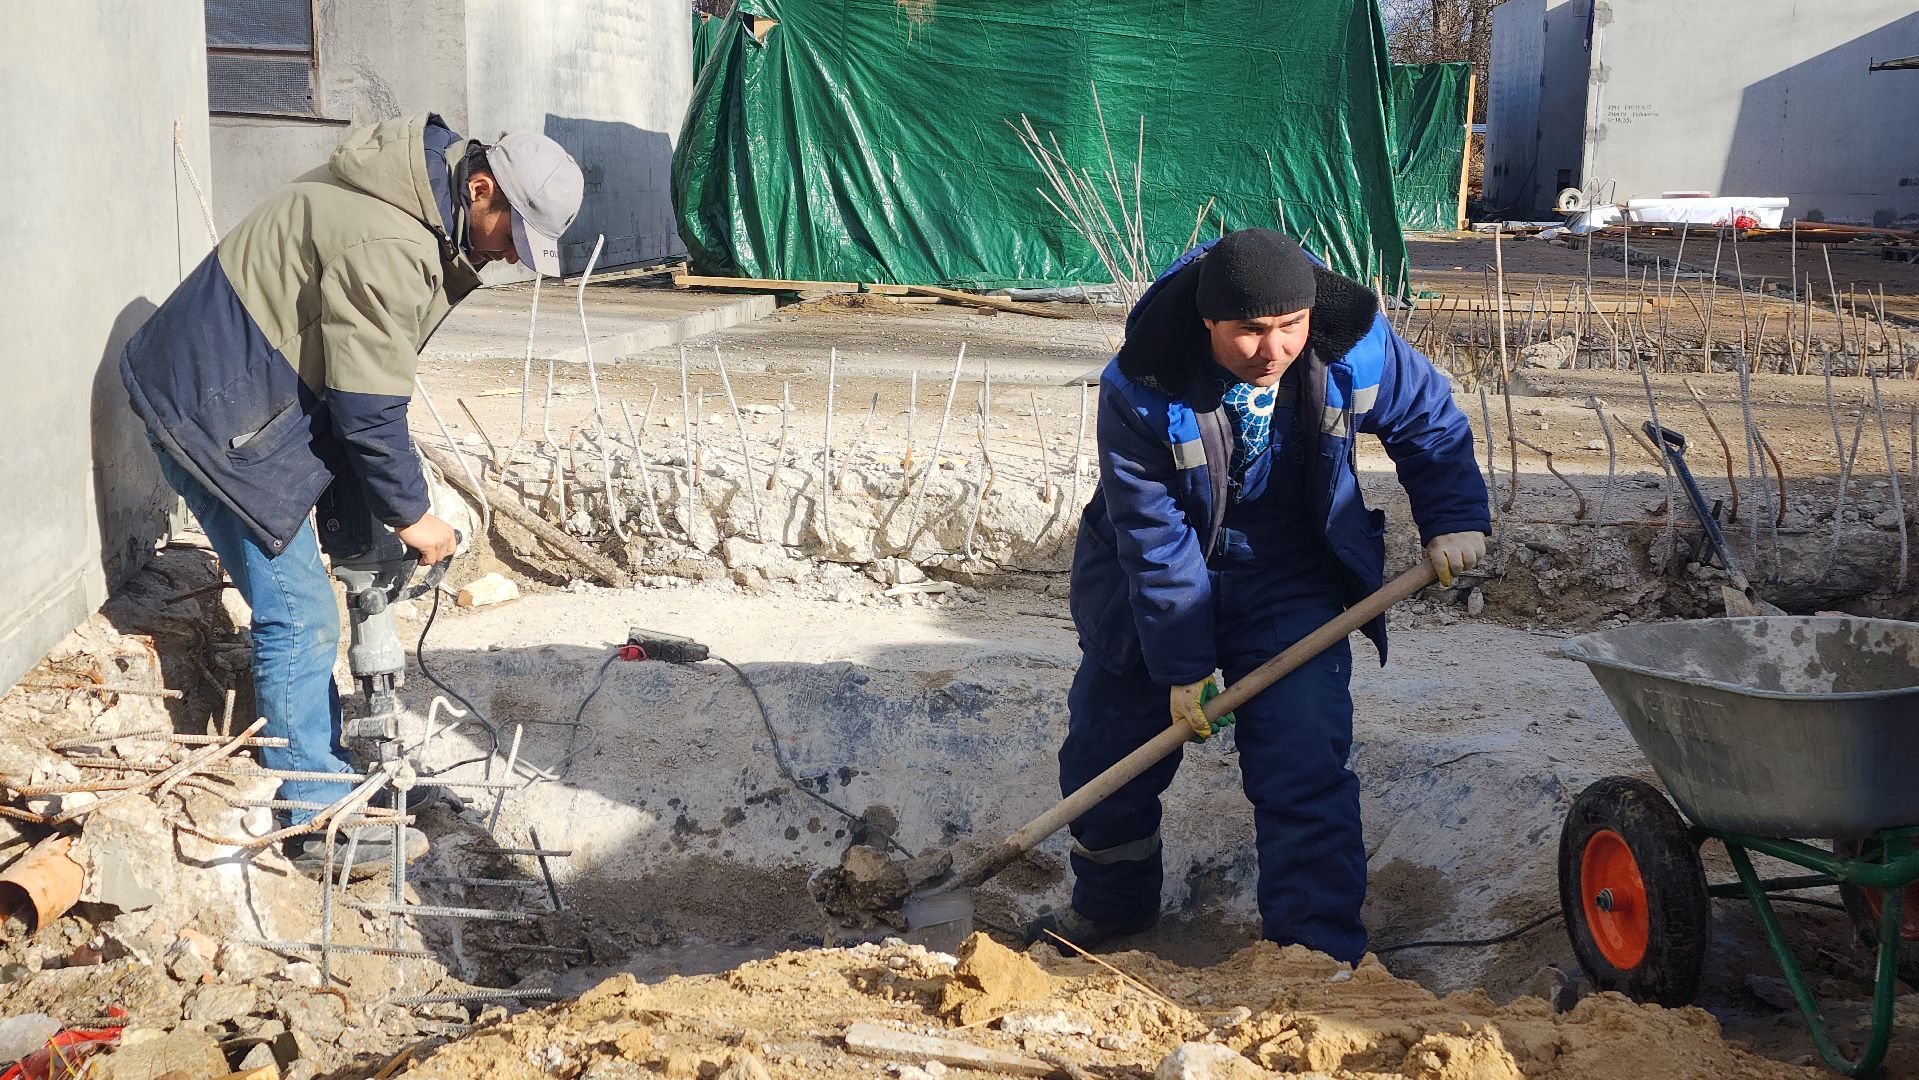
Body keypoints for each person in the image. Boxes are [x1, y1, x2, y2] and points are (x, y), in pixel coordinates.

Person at [120, 113, 583, 875]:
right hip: (205, 412)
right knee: (298, 611)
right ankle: (312, 816)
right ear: (479, 188)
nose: (506, 256)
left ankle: (334, 765)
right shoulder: (392, 243)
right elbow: (368, 407)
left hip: (249, 393)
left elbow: (348, 379)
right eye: (510, 236)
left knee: (352, 562)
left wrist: (370, 527)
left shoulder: (415, 213)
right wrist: (412, 516)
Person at [1027, 229, 1490, 964]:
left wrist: (1455, 516)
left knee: (1302, 759)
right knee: (1106, 756)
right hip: (1147, 582)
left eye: (1286, 328)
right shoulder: (1142, 383)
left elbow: (1429, 422)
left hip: (1291, 575)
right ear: (1209, 321)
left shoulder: (1353, 344)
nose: (1270, 350)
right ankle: (1112, 913)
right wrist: (1183, 664)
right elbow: (1153, 537)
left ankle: (1312, 952)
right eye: (1247, 331)